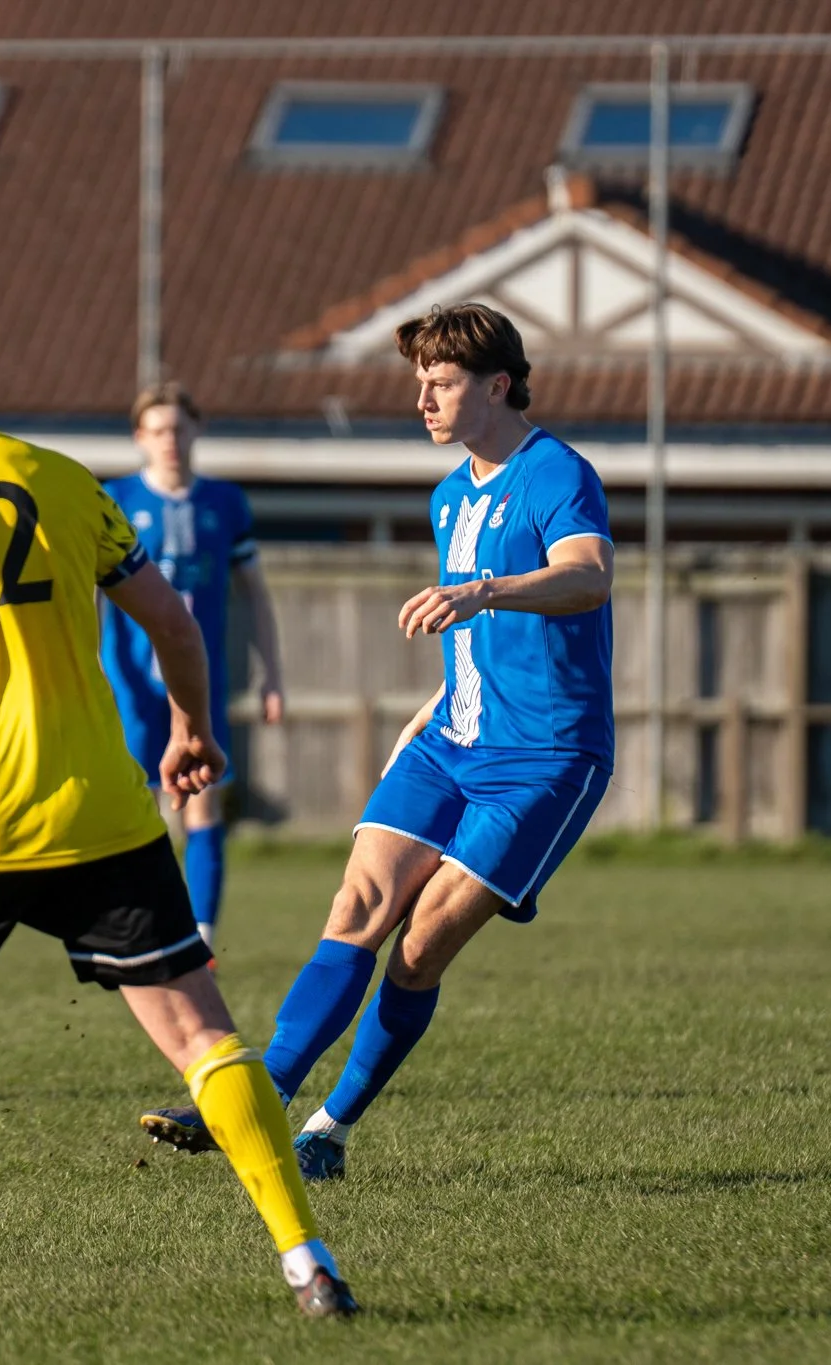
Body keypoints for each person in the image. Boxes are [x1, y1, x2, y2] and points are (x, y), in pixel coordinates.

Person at [0, 279, 355, 1316]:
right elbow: (174, 623)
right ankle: (304, 1259)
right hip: (101, 804)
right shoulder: (66, 481)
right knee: (201, 1035)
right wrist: (193, 729)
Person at [139, 302, 614, 1182]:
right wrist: (433, 703)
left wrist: (482, 590)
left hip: (546, 757)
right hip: (453, 738)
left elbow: (587, 575)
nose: (422, 400)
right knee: (357, 903)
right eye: (420, 383)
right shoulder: (449, 494)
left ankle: (329, 1127)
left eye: (441, 383)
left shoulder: (556, 472)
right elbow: (486, 637)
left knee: (421, 943)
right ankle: (260, 1099)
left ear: (497, 386)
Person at [101, 383, 286, 956]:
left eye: (179, 428)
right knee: (134, 810)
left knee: (203, 800)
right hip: (130, 684)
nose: (170, 440)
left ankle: (201, 942)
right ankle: (141, 934)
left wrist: (272, 674)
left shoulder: (224, 503)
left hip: (199, 684)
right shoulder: (115, 499)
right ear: (140, 437)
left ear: (197, 430)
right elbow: (90, 593)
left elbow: (254, 593)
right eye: (158, 430)